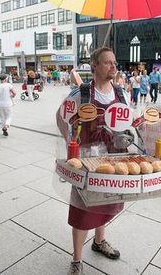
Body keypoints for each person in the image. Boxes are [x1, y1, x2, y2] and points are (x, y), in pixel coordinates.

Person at [57, 47, 129, 275]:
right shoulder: (82, 93)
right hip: (87, 163)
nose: (113, 66)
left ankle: (99, 242)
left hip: (112, 160)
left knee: (106, 203)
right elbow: (60, 116)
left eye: (114, 62)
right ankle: (77, 260)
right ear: (94, 66)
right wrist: (71, 143)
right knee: (82, 209)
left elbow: (127, 120)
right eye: (107, 62)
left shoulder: (121, 93)